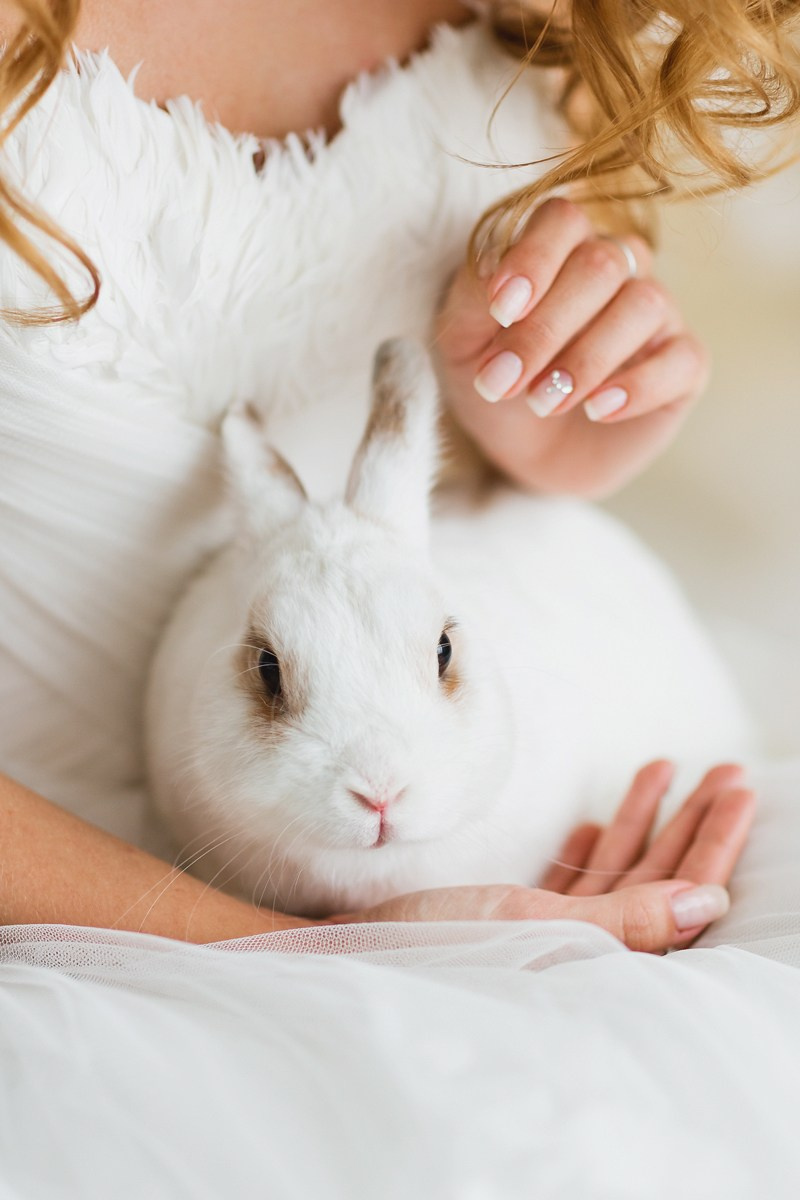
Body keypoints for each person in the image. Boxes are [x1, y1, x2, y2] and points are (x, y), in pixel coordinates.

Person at [0, 0, 795, 950]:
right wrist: (311, 949)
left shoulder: (549, 11)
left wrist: (536, 435)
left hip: (504, 848)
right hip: (74, 915)